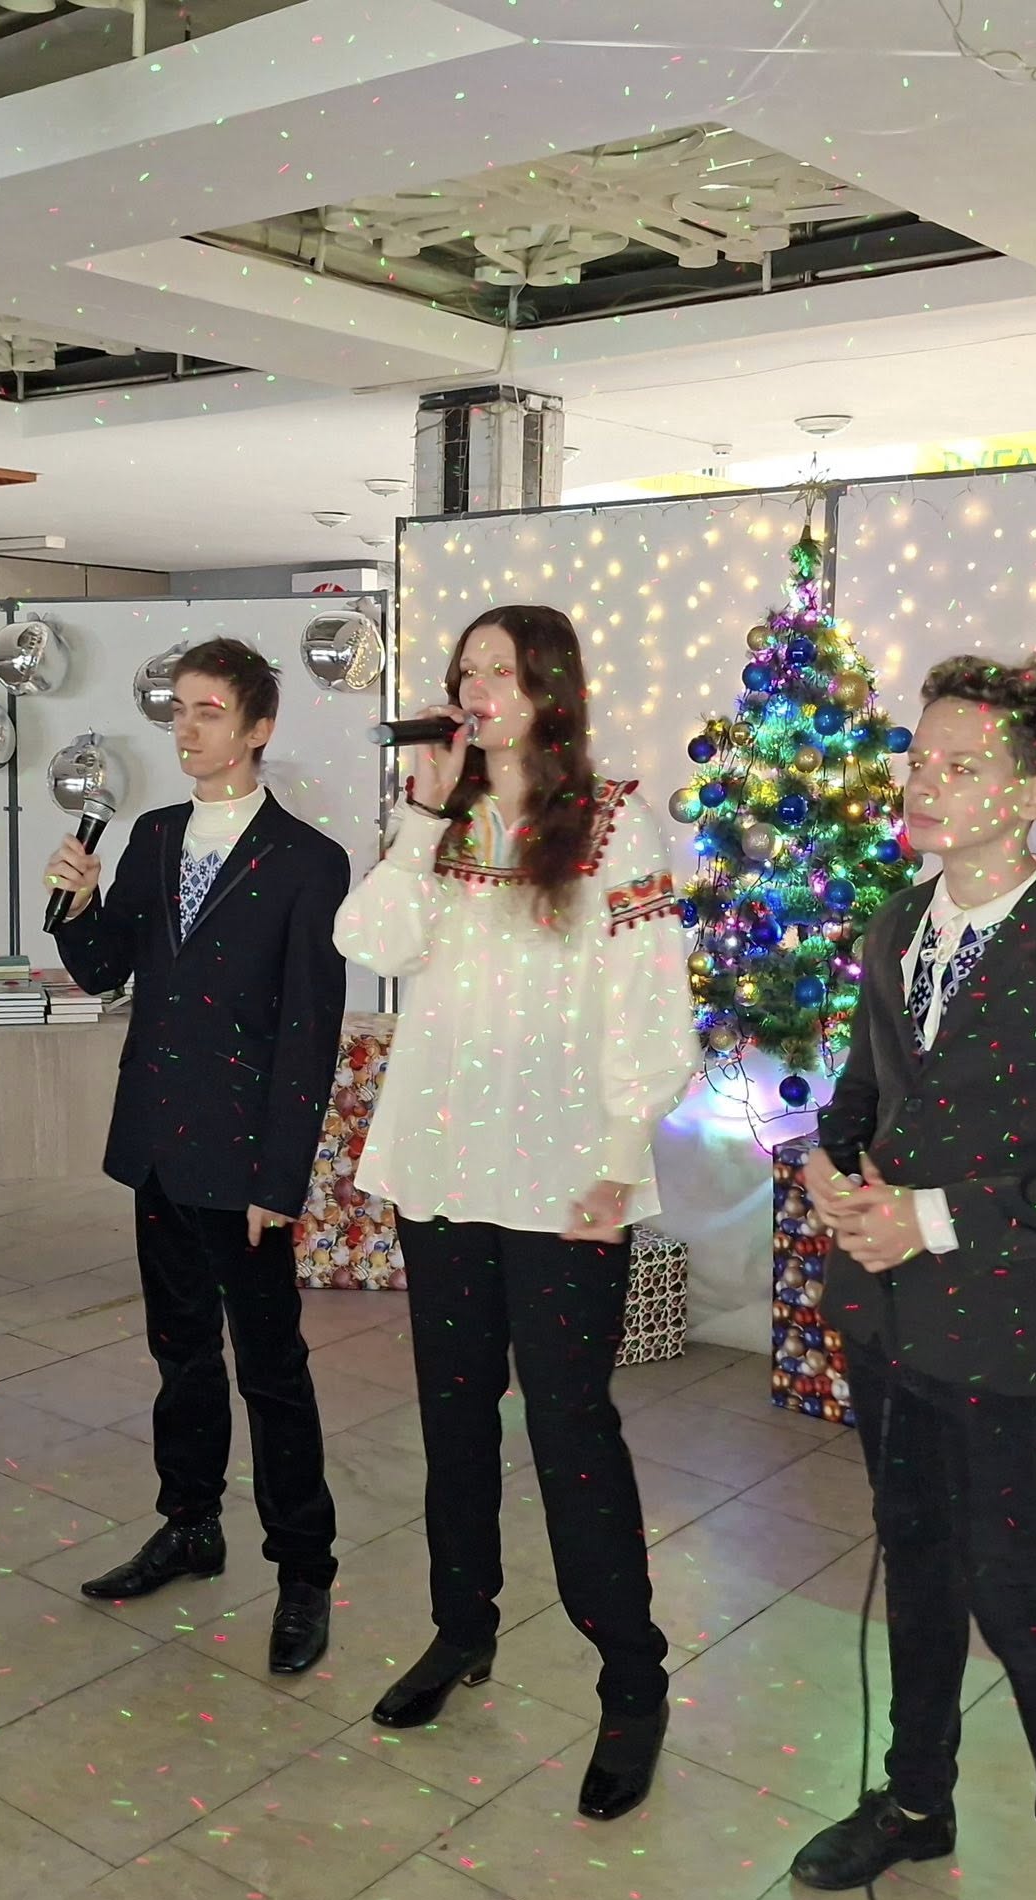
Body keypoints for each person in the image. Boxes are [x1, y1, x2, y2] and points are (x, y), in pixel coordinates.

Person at [789, 655, 1036, 1900]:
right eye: (918, 758)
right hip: (883, 1315)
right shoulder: (894, 924)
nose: (922, 784)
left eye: (960, 767)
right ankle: (915, 1798)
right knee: (913, 1561)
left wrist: (931, 1217)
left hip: (1003, 1331)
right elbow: (861, 1097)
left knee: (1015, 1597)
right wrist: (830, 1169)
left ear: (1033, 795)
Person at [333, 604, 699, 1821]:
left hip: (560, 1182)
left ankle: (631, 1680)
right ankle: (461, 1628)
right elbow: (367, 940)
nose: (476, 687)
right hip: (443, 1169)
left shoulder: (612, 819)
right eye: (464, 669)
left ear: (549, 688)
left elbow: (649, 1000)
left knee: (569, 1430)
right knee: (451, 1421)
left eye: (499, 668)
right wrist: (419, 817)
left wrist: (617, 1156)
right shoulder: (438, 823)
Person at [44, 635, 348, 1677]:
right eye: (178, 709)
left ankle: (303, 1568)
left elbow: (308, 1034)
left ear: (258, 727)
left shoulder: (307, 861)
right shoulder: (155, 834)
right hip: (158, 1146)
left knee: (271, 1371)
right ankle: (189, 1525)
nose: (185, 727)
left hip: (243, 1158)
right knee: (179, 1353)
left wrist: (279, 1178)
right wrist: (77, 903)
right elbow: (103, 970)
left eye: (208, 711)